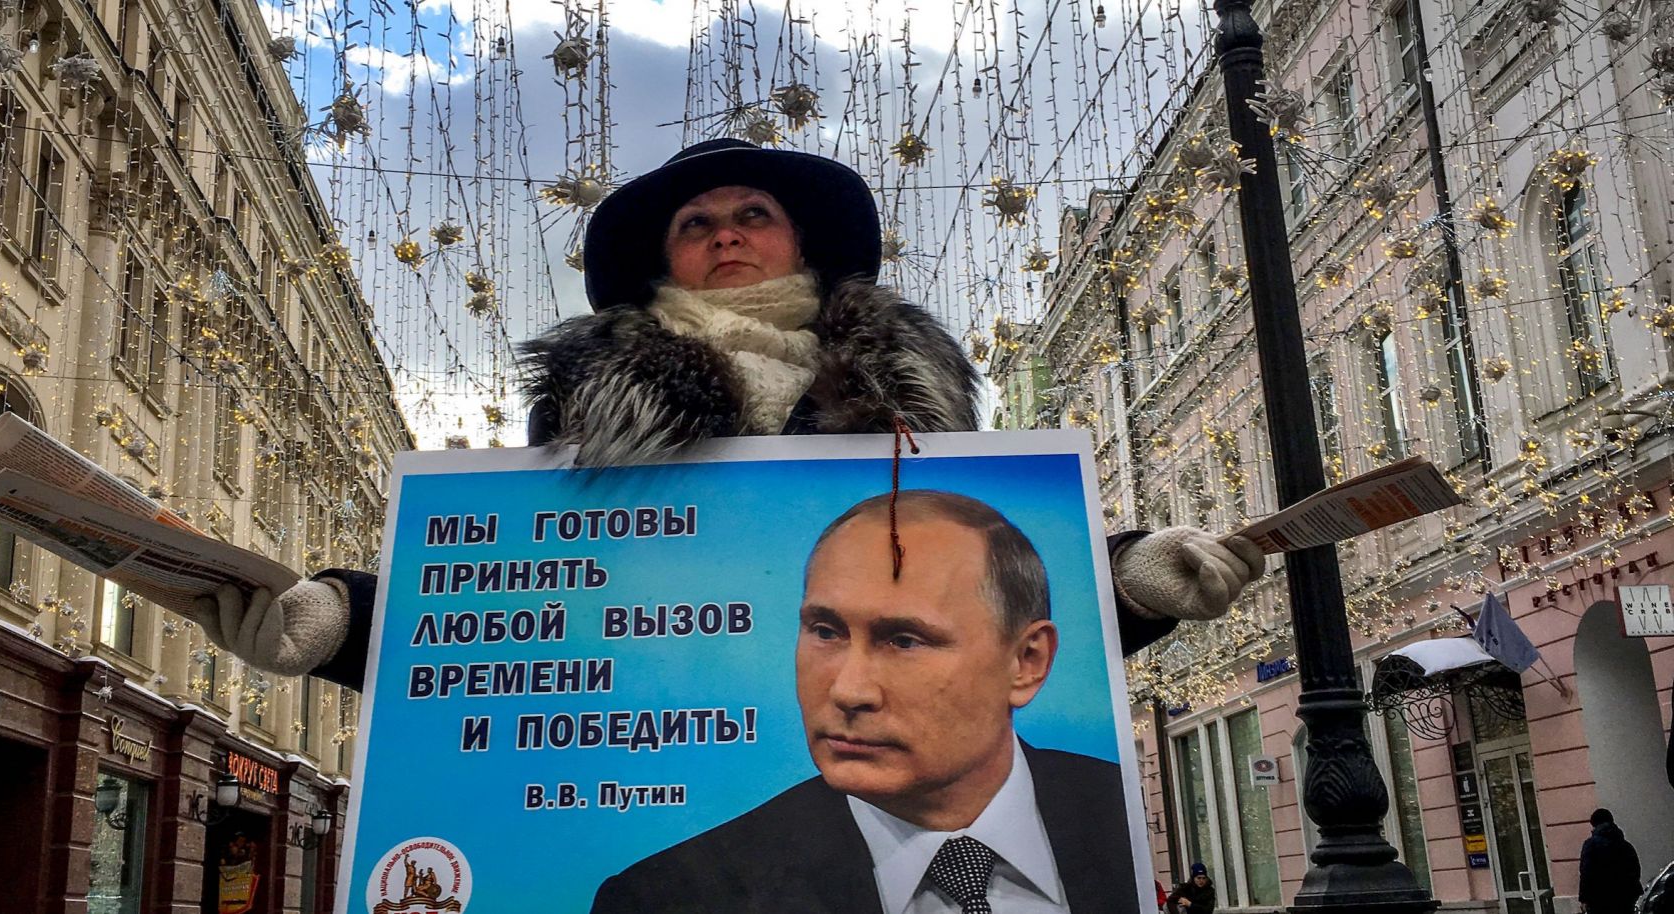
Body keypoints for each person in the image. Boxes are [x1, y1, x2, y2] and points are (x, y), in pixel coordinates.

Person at [193, 139, 1266, 692]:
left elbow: (985, 606)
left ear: (800, 243)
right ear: (664, 258)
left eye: (755, 213)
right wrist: (338, 620)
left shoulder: (910, 395)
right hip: (659, 782)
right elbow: (526, 601)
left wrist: (1132, 581)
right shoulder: (590, 404)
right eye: (697, 222)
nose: (726, 232)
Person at [590, 490, 1142, 914]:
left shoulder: (1126, 818)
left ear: (1027, 662)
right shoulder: (673, 896)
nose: (849, 690)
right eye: (825, 631)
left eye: (904, 640)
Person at [1578, 808, 1642, 914]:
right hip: (1625, 898)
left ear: (1594, 825)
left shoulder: (1591, 845)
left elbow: (1586, 873)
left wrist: (1584, 899)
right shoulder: (1625, 845)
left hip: (1600, 899)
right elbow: (1636, 870)